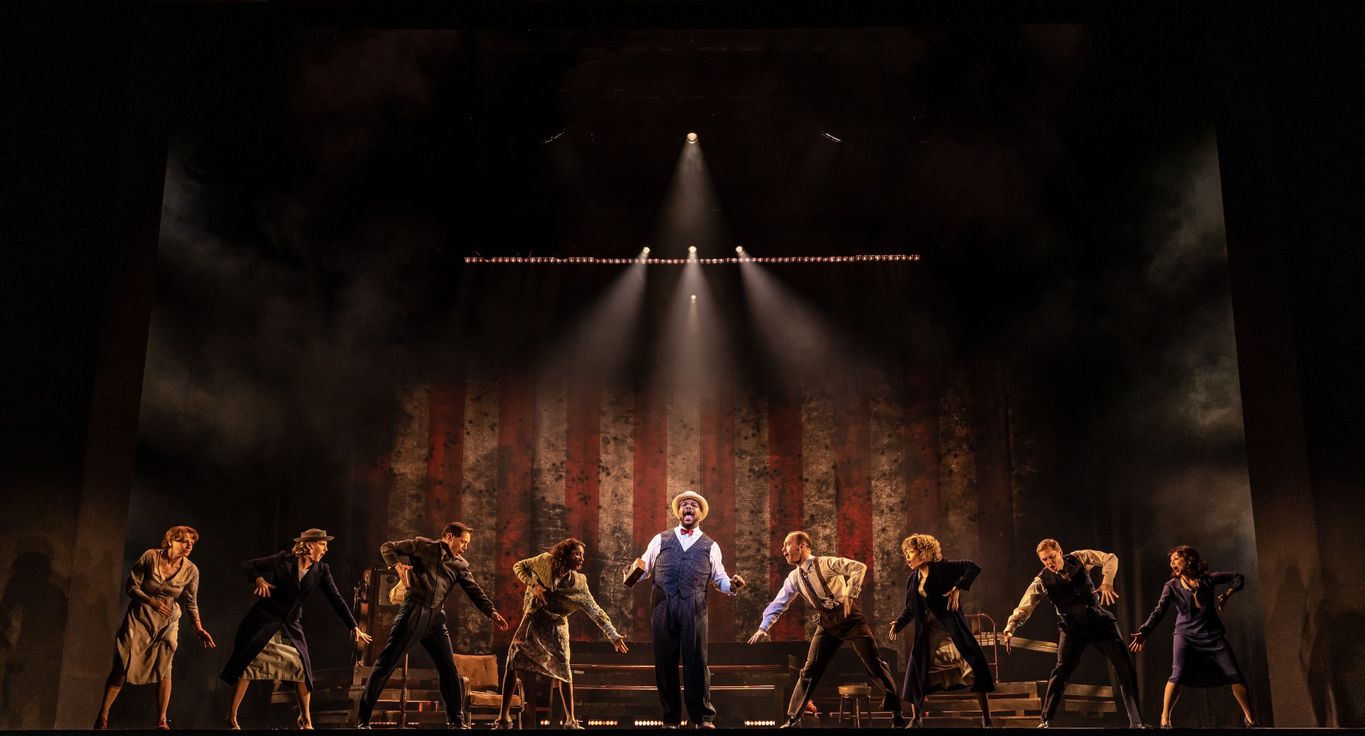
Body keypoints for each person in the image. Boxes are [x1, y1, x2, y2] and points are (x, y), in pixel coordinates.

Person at [356, 522, 509, 729]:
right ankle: (363, 720)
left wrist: (491, 612)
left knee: (448, 668)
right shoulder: (423, 546)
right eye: (463, 542)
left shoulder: (460, 565)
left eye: (467, 543)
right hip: (414, 611)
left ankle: (456, 721)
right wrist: (396, 565)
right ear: (449, 537)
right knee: (386, 663)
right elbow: (387, 547)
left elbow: (474, 590)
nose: (465, 547)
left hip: (436, 618)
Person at [747, 531, 905, 729]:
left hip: (849, 618)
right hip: (827, 622)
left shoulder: (825, 563)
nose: (783, 550)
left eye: (787, 544)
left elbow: (859, 567)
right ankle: (793, 719)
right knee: (810, 669)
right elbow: (779, 603)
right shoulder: (794, 577)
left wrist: (850, 594)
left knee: (875, 663)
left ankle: (897, 714)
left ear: (802, 546)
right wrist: (763, 627)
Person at [220, 529, 373, 729]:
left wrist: (353, 626)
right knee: (249, 664)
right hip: (266, 619)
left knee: (301, 666)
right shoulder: (283, 560)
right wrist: (259, 579)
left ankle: (305, 718)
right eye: (322, 544)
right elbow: (248, 565)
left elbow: (336, 599)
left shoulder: (321, 570)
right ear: (309, 545)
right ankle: (232, 716)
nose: (326, 549)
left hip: (291, 623)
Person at [1002, 539, 1146, 728]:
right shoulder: (1042, 580)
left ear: (1060, 552)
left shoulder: (1079, 558)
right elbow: (1026, 605)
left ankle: (1136, 723)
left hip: (1098, 621)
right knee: (1061, 670)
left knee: (1125, 667)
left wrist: (1107, 581)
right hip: (1073, 628)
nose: (1050, 562)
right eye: (1044, 560)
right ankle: (1045, 720)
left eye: (1052, 557)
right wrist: (1011, 626)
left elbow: (1110, 558)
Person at [632, 491, 745, 729]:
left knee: (696, 662)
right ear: (679, 512)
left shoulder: (710, 545)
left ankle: (702, 718)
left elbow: (719, 579)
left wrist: (732, 585)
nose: (688, 507)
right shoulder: (660, 539)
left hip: (695, 608)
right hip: (662, 606)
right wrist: (631, 573)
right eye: (684, 504)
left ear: (700, 513)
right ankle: (670, 719)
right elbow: (644, 567)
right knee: (665, 663)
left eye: (693, 505)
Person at [495, 538, 629, 729]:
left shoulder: (579, 583)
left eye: (582, 555)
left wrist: (613, 636)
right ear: (565, 554)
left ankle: (570, 720)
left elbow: (595, 610)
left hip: (556, 625)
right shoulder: (545, 560)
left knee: (563, 668)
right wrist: (533, 584)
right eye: (577, 554)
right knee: (512, 660)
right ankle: (503, 717)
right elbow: (519, 566)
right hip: (534, 618)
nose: (581, 558)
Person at [93, 525, 216, 730]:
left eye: (192, 543)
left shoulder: (191, 570)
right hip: (141, 615)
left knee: (166, 662)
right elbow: (131, 586)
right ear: (171, 540)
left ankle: (162, 719)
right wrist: (152, 602)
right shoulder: (150, 556)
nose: (188, 545)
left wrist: (199, 628)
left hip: (168, 619)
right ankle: (103, 716)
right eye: (184, 541)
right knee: (123, 664)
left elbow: (191, 602)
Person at [1129, 545, 1257, 727]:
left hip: (1212, 634)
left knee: (1234, 674)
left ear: (1188, 559)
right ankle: (1165, 719)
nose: (1172, 563)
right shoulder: (1171, 586)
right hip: (1185, 635)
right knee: (1177, 674)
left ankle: (1251, 720)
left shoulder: (1208, 579)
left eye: (1176, 558)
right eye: (1171, 560)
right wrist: (1144, 631)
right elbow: (1159, 611)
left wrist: (1227, 594)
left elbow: (1238, 577)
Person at [888, 534, 996, 727]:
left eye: (910, 552)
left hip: (952, 631)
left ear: (923, 552)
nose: (907, 557)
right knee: (916, 671)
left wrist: (957, 588)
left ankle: (987, 719)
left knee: (974, 667)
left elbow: (973, 567)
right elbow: (911, 608)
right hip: (929, 634)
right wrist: (898, 623)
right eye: (906, 553)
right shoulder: (913, 580)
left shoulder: (943, 568)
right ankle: (916, 719)